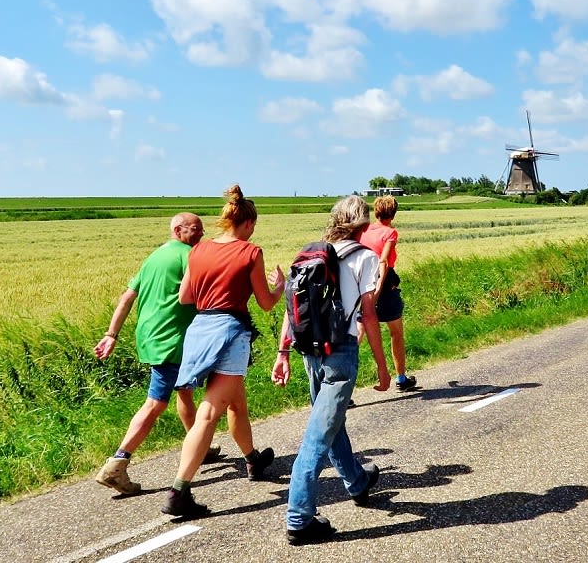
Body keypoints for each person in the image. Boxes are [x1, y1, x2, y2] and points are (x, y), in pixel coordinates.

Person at [272, 195, 392, 545]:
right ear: (364, 225)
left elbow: (291, 310)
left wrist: (282, 353)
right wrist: (383, 369)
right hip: (341, 353)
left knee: (331, 421)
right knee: (317, 437)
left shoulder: (311, 255)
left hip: (310, 352)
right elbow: (368, 314)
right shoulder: (365, 258)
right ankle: (299, 518)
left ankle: (356, 481)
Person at [161, 185, 285, 519]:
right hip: (231, 331)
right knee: (210, 412)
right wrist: (280, 287)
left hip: (199, 330)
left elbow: (185, 298)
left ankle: (252, 459)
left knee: (236, 402)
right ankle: (179, 491)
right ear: (247, 224)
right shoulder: (250, 252)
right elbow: (265, 303)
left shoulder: (197, 250)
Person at [92, 213, 223, 494]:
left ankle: (199, 444)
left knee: (184, 391)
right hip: (172, 339)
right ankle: (117, 462)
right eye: (195, 229)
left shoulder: (155, 256)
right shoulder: (189, 256)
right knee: (156, 403)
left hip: (151, 337)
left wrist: (111, 334)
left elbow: (127, 297)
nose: (201, 234)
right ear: (178, 230)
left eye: (201, 229)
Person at [359, 194, 416, 391]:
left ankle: (343, 387)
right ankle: (401, 378)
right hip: (383, 286)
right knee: (396, 332)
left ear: (376, 212)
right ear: (393, 214)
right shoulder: (390, 233)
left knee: (358, 336)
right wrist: (378, 289)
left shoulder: (363, 231)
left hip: (360, 285)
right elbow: (383, 261)